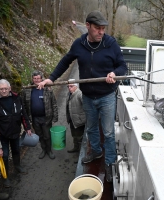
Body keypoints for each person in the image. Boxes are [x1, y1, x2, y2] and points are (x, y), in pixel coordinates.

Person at [37, 10, 128, 182]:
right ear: (87, 26)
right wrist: (51, 78)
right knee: (92, 128)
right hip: (88, 96)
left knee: (108, 132)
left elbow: (123, 66)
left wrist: (114, 73)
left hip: (107, 96)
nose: (101, 32)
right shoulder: (79, 44)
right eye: (97, 28)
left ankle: (109, 163)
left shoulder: (111, 43)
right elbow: (66, 61)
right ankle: (95, 151)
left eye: (103, 28)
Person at [0, 79, 32, 188]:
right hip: (1, 134)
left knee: (16, 150)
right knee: (4, 155)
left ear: (10, 88)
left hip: (15, 131)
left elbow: (23, 113)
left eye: (6, 88)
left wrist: (27, 127)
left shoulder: (16, 98)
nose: (4, 91)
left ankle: (17, 165)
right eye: (1, 89)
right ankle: (5, 177)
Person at [21, 70, 58, 159]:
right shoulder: (27, 90)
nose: (36, 80)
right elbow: (24, 106)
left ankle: (49, 150)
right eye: (35, 78)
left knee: (47, 135)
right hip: (34, 118)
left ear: (41, 79)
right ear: (32, 79)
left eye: (38, 78)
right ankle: (43, 149)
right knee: (40, 135)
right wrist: (26, 120)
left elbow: (54, 103)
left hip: (46, 118)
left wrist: (55, 116)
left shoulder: (47, 88)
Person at [66, 79, 86, 153]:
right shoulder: (69, 94)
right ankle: (76, 148)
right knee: (74, 135)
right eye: (68, 86)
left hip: (79, 121)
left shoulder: (80, 94)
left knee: (80, 137)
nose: (69, 88)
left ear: (76, 86)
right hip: (72, 119)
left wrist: (82, 118)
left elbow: (86, 107)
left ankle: (81, 153)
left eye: (71, 86)